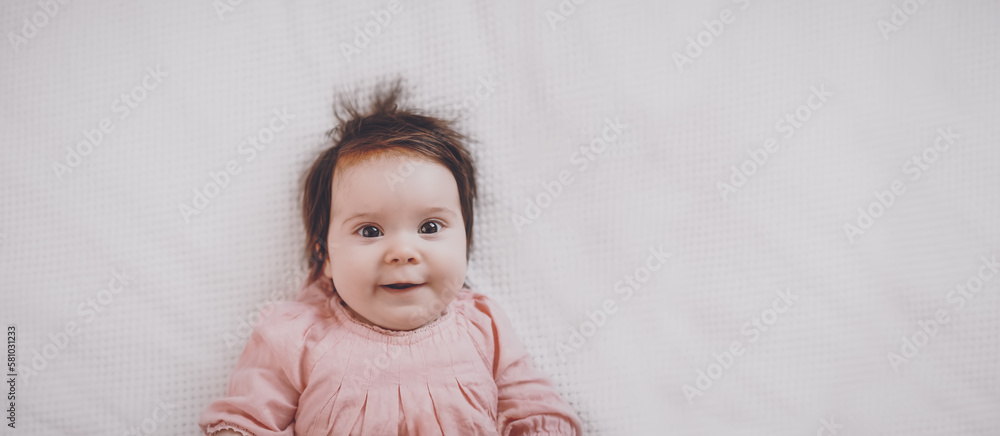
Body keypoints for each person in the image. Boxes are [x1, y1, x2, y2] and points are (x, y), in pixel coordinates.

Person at [198, 80, 582, 435]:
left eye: (430, 227)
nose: (401, 252)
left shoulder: (485, 327)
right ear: (324, 255)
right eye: (370, 231)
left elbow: (535, 411)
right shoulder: (295, 335)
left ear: (466, 240)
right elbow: (245, 420)